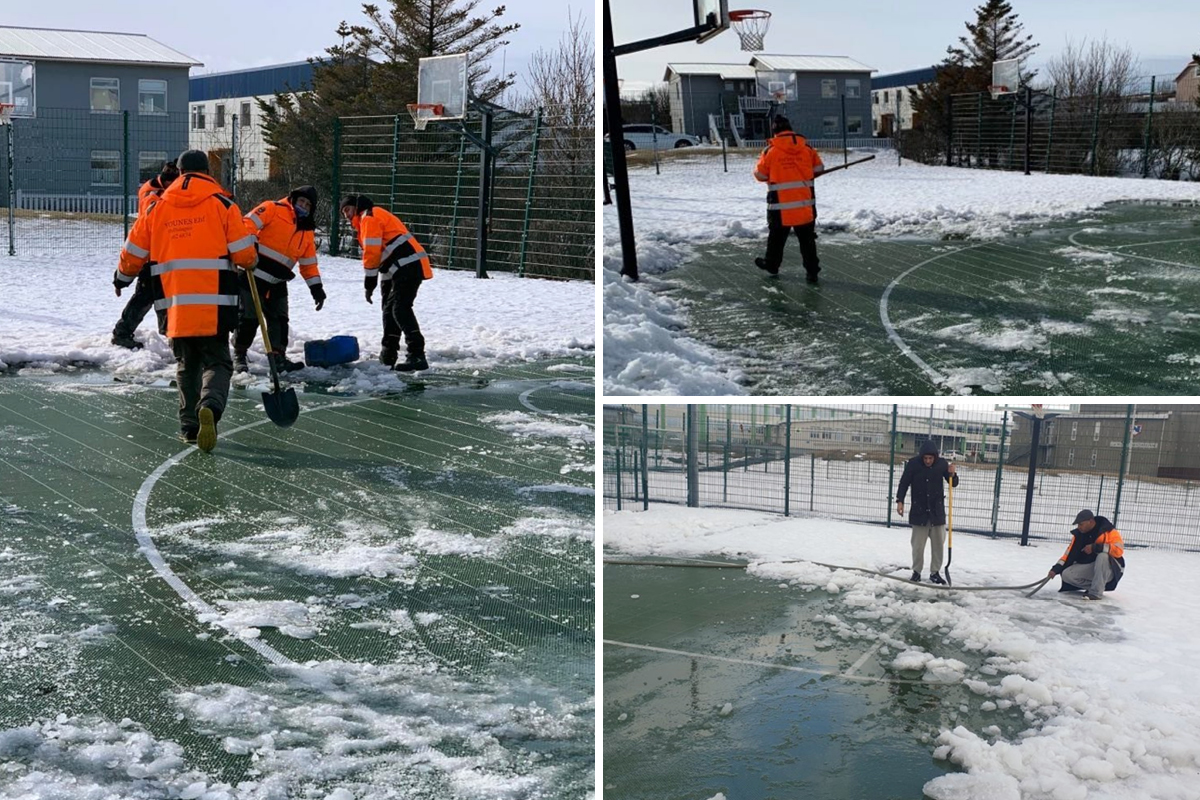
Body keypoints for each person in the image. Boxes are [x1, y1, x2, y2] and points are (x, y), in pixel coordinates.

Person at [114, 150, 257, 452]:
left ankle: (190, 427)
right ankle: (211, 405)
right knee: (217, 361)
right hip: (215, 302)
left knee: (186, 363)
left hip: (173, 304)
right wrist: (251, 259)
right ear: (207, 172)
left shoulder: (156, 207)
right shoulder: (222, 204)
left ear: (178, 173)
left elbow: (133, 252)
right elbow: (245, 254)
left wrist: (122, 278)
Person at [234, 186, 325, 373]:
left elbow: (308, 264)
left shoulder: (307, 231)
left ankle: (278, 357)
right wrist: (250, 244)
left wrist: (316, 288)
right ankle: (239, 354)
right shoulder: (272, 208)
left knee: (280, 320)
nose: (303, 206)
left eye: (308, 205)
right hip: (253, 275)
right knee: (249, 318)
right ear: (293, 199)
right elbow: (247, 222)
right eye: (301, 201)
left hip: (277, 281)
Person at [339, 194, 432, 371]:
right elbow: (385, 253)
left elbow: (372, 253)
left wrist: (369, 281)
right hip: (398, 267)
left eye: (347, 210)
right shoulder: (369, 218)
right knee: (389, 309)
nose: (346, 215)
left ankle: (417, 354)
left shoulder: (369, 218)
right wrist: (379, 283)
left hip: (408, 265)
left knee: (399, 308)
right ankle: (389, 353)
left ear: (356, 207)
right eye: (343, 212)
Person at [111, 159, 180, 349]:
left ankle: (124, 332)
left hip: (157, 255)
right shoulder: (153, 196)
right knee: (149, 297)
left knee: (147, 297)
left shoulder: (153, 189)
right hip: (154, 256)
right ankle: (123, 333)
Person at [753, 116, 825, 283]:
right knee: (807, 241)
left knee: (776, 239)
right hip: (804, 204)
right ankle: (812, 270)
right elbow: (819, 169)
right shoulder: (807, 148)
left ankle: (772, 265)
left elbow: (760, 175)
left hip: (780, 207)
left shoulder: (770, 151)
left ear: (775, 132)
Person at [895, 440, 959, 583]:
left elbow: (952, 484)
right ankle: (916, 572)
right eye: (925, 458)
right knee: (917, 546)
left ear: (935, 457)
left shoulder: (942, 464)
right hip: (919, 511)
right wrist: (900, 501)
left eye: (931, 458)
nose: (928, 461)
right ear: (921, 457)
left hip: (937, 512)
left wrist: (952, 475)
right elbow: (904, 482)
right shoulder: (913, 464)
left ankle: (935, 572)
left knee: (938, 545)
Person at [1048, 509, 1125, 600]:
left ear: (1090, 521)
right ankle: (1097, 586)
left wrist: (1095, 547)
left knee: (1102, 556)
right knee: (1066, 574)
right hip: (1093, 568)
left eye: (1081, 524)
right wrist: (1055, 569)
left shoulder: (1109, 532)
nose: (1079, 527)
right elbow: (1067, 555)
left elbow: (1119, 550)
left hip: (1111, 569)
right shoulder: (1079, 535)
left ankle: (1096, 593)